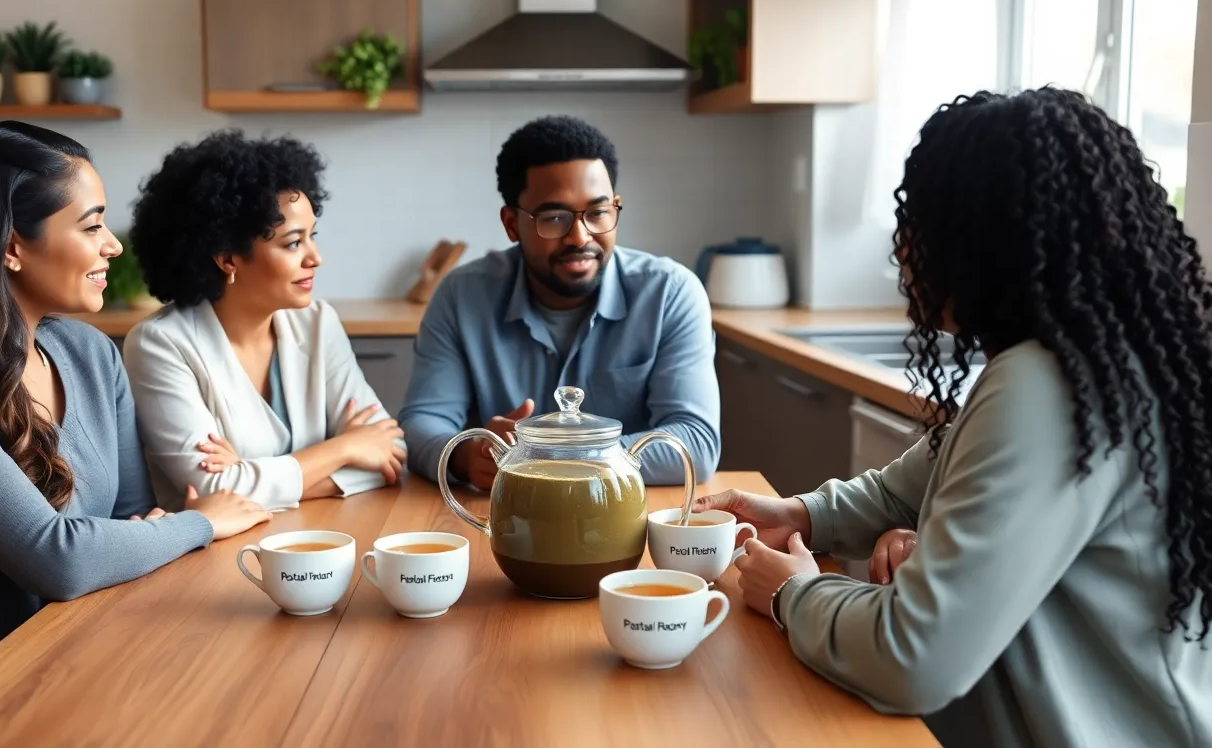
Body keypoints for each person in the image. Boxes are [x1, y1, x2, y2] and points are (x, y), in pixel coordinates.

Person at [696, 88, 1212, 747]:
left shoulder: (1048, 386)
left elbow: (915, 658)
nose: (904, 248)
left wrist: (791, 595)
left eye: (922, 221)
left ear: (985, 238)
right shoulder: (1091, 362)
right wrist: (801, 516)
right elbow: (910, 488)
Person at [0, 122, 272, 739]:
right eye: (91, 226)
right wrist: (203, 522)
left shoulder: (88, 354)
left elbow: (131, 522)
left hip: (66, 679)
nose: (112, 245)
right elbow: (61, 558)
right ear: (10, 245)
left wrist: (125, 542)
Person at [400, 115, 720, 490]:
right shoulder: (461, 296)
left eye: (598, 213)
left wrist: (541, 456)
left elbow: (695, 443)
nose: (580, 237)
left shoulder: (670, 293)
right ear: (511, 224)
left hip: (624, 518)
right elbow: (421, 422)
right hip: (506, 520)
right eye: (554, 218)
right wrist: (465, 455)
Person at [122, 130, 406, 512]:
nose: (315, 257)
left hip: (319, 537)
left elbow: (390, 452)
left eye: (312, 237)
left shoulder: (317, 322)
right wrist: (346, 447)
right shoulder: (159, 345)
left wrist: (248, 475)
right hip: (211, 559)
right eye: (293, 243)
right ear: (228, 258)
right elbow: (210, 491)